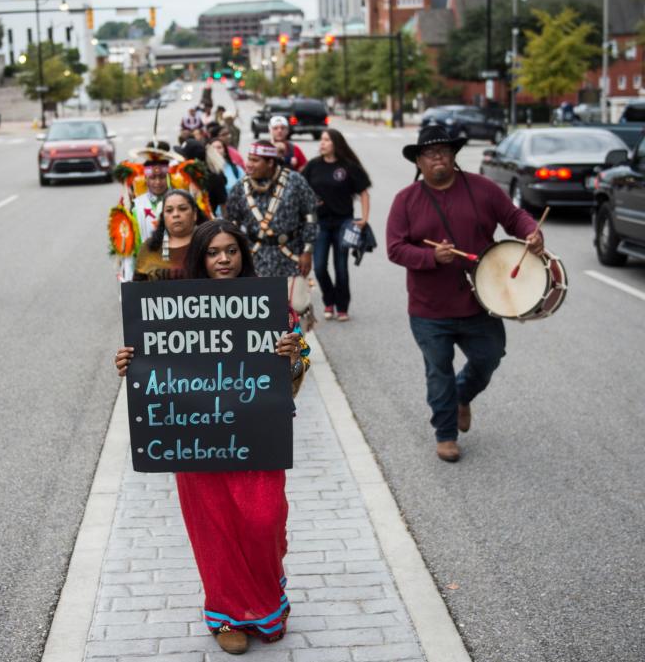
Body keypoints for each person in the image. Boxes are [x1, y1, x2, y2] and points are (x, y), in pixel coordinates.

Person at [114, 219, 310, 655]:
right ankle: (225, 617)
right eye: (213, 252)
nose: (224, 259)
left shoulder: (270, 303)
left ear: (243, 254)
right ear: (200, 258)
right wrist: (132, 364)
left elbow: (295, 381)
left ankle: (267, 602)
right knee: (216, 531)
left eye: (231, 251)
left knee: (263, 521)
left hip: (258, 434)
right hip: (196, 440)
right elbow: (155, 371)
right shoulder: (171, 306)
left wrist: (293, 357)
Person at [386, 125, 544, 463]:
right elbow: (395, 249)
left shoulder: (483, 189)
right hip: (429, 308)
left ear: (454, 155)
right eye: (430, 153)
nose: (438, 157)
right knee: (437, 370)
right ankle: (445, 434)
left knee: (491, 355)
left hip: (481, 301)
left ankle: (462, 396)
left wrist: (531, 232)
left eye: (444, 150)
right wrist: (430, 257)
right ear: (419, 160)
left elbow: (515, 218)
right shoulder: (405, 200)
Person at [302, 129, 371, 321]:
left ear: (335, 144)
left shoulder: (348, 166)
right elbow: (301, 189)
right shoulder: (313, 166)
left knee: (341, 268)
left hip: (343, 224)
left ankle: (342, 307)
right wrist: (310, 202)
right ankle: (329, 300)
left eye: (326, 140)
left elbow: (364, 192)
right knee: (320, 267)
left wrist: (364, 219)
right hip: (320, 224)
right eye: (321, 140)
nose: (322, 143)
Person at [225, 141, 317, 280]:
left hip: (291, 257)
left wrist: (307, 252)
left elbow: (310, 217)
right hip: (255, 259)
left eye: (255, 160)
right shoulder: (240, 188)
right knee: (259, 301)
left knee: (292, 302)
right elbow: (231, 223)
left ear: (270, 163)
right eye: (249, 158)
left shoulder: (295, 181)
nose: (249, 164)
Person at [133, 189, 207, 281]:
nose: (175, 214)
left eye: (182, 209)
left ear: (195, 213)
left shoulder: (209, 243)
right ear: (163, 216)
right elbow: (136, 289)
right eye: (169, 210)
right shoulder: (149, 248)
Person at [206, 137, 245, 215]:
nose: (216, 150)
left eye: (219, 147)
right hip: (211, 217)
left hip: (233, 215)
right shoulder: (205, 171)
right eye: (213, 148)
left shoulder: (236, 169)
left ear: (225, 151)